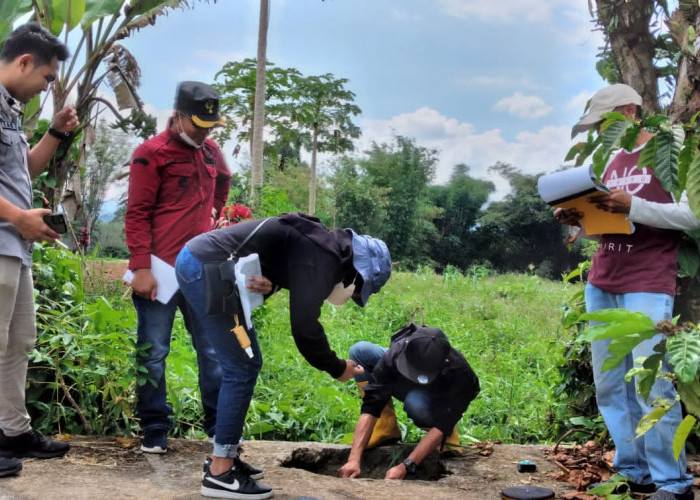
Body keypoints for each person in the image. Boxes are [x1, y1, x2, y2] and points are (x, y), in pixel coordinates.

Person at [175, 212, 392, 499]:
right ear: (357, 273)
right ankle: (220, 472)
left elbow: (279, 264)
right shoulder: (324, 256)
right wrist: (338, 367)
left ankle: (223, 459)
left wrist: (274, 283)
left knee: (242, 363)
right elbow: (304, 327)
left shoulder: (319, 246)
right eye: (357, 293)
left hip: (203, 263)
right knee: (241, 366)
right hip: (208, 267)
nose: (351, 297)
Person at [556, 83, 698, 500]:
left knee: (651, 382)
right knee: (611, 383)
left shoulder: (671, 151)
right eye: (597, 125)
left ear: (631, 112)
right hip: (604, 279)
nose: (599, 130)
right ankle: (632, 469)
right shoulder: (607, 158)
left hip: (648, 278)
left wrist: (632, 205)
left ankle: (672, 482)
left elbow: (692, 214)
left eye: (604, 121)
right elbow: (604, 217)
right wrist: (575, 220)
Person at [125, 81, 231, 453]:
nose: (203, 133)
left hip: (201, 269)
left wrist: (216, 211)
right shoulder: (150, 154)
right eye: (198, 125)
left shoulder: (211, 152)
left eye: (209, 126)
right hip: (159, 270)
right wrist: (141, 267)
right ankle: (155, 427)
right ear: (179, 115)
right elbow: (136, 213)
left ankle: (219, 427)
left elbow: (224, 181)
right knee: (153, 351)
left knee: (215, 350)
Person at [0, 23, 80, 477]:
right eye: (47, 79)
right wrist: (17, 216)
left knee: (18, 342)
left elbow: (23, 170)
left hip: (15, 245)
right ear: (25, 62)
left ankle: (12, 430)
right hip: (4, 238)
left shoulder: (9, 108)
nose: (46, 87)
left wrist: (55, 133)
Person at [338, 326, 480, 480]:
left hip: (439, 394)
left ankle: (448, 436)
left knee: (416, 404)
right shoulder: (396, 354)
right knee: (360, 351)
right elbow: (371, 405)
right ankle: (385, 427)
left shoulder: (460, 374)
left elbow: (441, 425)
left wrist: (406, 466)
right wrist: (353, 460)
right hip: (404, 374)